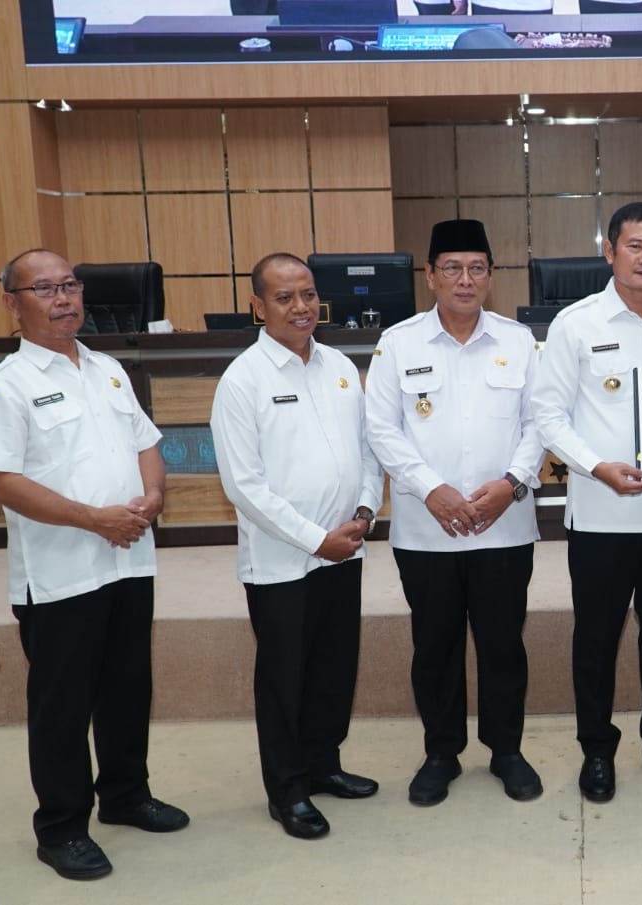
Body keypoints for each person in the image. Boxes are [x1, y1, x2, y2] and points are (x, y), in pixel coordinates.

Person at [0, 249, 188, 881]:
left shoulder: (107, 368)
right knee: (62, 708)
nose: (63, 298)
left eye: (69, 286)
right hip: (60, 575)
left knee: (127, 690)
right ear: (11, 304)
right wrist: (94, 519)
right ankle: (61, 828)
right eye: (44, 289)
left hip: (128, 562)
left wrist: (152, 497)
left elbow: (147, 444)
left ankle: (125, 795)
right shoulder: (2, 387)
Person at [532, 201, 642, 803]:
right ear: (610, 252)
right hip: (600, 516)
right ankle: (597, 749)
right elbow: (548, 415)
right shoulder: (576, 324)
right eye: (635, 246)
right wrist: (597, 467)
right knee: (596, 639)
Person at [365, 220, 545, 806]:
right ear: (430, 276)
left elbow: (539, 423)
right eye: (452, 268)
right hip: (427, 529)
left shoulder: (519, 341)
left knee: (502, 645)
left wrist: (512, 483)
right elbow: (380, 428)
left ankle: (506, 751)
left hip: (504, 526)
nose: (465, 279)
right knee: (435, 647)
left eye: (476, 268)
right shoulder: (398, 343)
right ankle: (441, 752)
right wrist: (431, 489)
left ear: (491, 276)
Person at [210, 253, 385, 840]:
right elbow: (244, 486)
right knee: (285, 677)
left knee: (334, 667)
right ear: (258, 306)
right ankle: (287, 789)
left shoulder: (339, 366)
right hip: (283, 560)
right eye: (284, 298)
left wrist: (364, 511)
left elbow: (367, 451)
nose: (301, 307)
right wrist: (316, 540)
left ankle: (323, 765)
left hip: (345, 546)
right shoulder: (243, 380)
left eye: (308, 294)